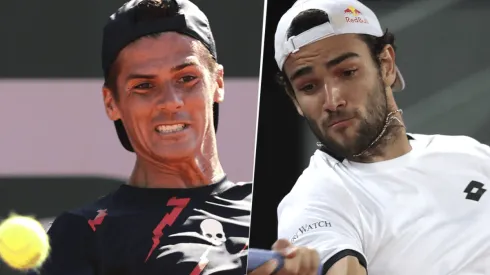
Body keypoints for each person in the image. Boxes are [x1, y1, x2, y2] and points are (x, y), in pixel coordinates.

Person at [252, 0, 490, 274]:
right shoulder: (316, 199)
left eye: (348, 72)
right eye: (308, 86)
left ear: (386, 64)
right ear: (295, 101)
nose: (333, 100)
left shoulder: (469, 153)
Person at [32, 0, 252, 274]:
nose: (170, 102)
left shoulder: (282, 209)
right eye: (144, 86)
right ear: (112, 103)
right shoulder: (80, 234)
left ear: (217, 83)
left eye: (186, 78)